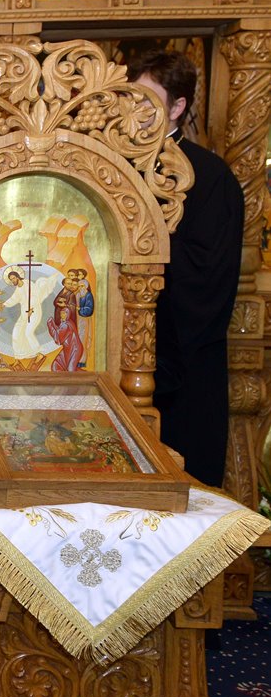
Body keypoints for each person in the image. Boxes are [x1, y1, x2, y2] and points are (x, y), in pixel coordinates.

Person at [132, 50, 243, 488]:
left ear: (177, 106)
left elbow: (208, 278)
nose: (134, 110)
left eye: (146, 100)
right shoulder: (112, 164)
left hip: (181, 366)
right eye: (127, 98)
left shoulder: (209, 176)